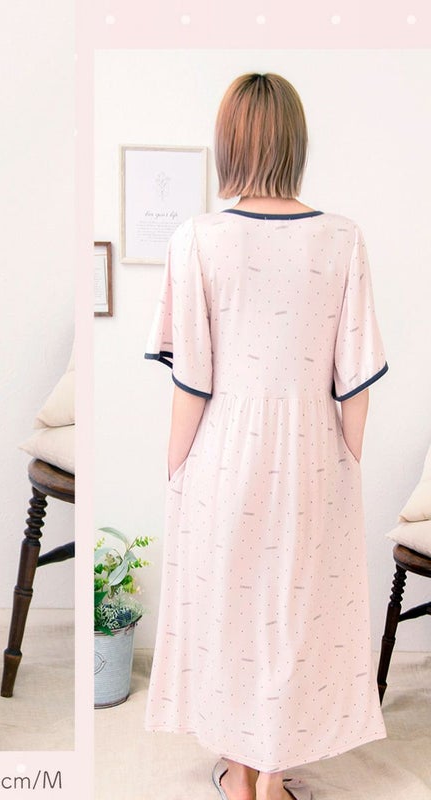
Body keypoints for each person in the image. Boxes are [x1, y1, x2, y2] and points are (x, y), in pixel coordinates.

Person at [143, 73, 387, 800]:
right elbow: (357, 381)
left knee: (229, 608)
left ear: (229, 143)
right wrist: (344, 464)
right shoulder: (342, 238)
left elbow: (191, 381)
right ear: (295, 141)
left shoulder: (197, 238)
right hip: (314, 451)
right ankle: (274, 776)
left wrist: (176, 469)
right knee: (294, 613)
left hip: (223, 453)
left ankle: (240, 772)